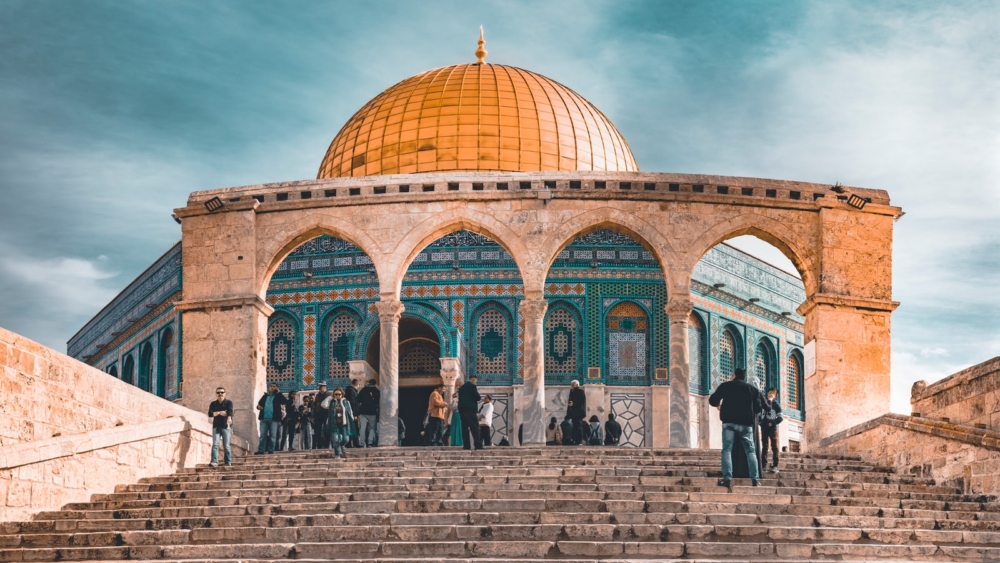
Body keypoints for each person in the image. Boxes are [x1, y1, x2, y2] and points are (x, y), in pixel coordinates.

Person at [708, 367, 765, 487]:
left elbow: (712, 400)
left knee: (727, 450)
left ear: (735, 374)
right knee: (750, 452)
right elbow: (758, 408)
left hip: (729, 423)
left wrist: (720, 404)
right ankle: (755, 480)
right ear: (745, 377)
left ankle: (727, 479)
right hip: (746, 425)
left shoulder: (726, 386)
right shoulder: (752, 389)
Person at [256, 383, 289, 455]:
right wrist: (258, 407)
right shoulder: (265, 396)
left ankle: (271, 450)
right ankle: (261, 450)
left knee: (273, 435)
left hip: (274, 419)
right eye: (271, 386)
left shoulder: (278, 397)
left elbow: (285, 401)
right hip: (264, 418)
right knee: (262, 435)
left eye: (274, 386)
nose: (272, 388)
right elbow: (258, 405)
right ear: (269, 388)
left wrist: (279, 392)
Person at [207, 387, 234, 467]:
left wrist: (228, 417)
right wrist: (220, 412)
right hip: (216, 427)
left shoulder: (229, 402)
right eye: (218, 393)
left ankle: (228, 462)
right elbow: (210, 414)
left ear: (225, 394)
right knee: (215, 444)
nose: (220, 394)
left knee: (227, 445)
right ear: (216, 394)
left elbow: (230, 412)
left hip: (226, 427)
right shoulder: (213, 404)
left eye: (222, 392)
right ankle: (214, 461)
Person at [761, 387, 783, 473]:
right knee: (764, 447)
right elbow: (760, 414)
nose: (771, 394)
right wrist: (761, 423)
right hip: (764, 428)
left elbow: (780, 418)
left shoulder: (777, 405)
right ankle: (763, 465)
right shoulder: (764, 404)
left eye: (773, 393)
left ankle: (775, 465)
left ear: (776, 396)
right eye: (769, 392)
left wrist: (773, 423)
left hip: (772, 429)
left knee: (774, 447)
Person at [327, 387, 354, 459]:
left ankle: (342, 445)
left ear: (342, 394)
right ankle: (337, 454)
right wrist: (330, 397)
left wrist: (351, 421)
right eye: (336, 394)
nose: (338, 396)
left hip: (344, 423)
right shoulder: (331, 402)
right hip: (334, 423)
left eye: (339, 394)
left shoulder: (346, 402)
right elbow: (323, 405)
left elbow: (350, 411)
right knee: (335, 439)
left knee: (346, 439)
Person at [458, 375, 483, 450]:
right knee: (475, 428)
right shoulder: (472, 386)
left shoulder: (462, 388)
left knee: (464, 428)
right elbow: (477, 397)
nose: (476, 382)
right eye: (475, 380)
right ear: (473, 379)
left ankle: (466, 446)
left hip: (462, 410)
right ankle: (478, 445)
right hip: (470, 409)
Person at [357, 379, 380, 447]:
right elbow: (378, 401)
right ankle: (370, 442)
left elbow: (358, 399)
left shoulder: (363, 389)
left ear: (369, 383)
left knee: (363, 427)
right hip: (372, 412)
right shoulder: (377, 391)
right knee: (372, 428)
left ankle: (361, 442)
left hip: (363, 411)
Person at [567, 380, 587, 445]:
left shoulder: (580, 391)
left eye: (573, 384)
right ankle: (575, 440)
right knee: (575, 427)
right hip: (574, 413)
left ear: (576, 385)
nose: (572, 385)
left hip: (578, 413)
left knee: (579, 427)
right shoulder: (572, 391)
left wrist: (573, 403)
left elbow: (581, 401)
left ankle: (579, 441)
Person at [313, 382, 332, 448]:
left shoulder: (329, 394)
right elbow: (315, 405)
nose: (320, 388)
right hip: (318, 413)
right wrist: (313, 416)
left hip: (326, 413)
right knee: (318, 430)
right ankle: (319, 445)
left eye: (322, 386)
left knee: (327, 430)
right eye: (320, 386)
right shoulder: (318, 395)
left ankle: (327, 445)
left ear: (325, 387)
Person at [344, 379, 361, 447]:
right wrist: (354, 414)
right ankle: (354, 443)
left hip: (350, 413)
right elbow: (353, 403)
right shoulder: (352, 391)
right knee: (354, 428)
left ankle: (350, 444)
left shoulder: (350, 390)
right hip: (351, 413)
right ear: (357, 385)